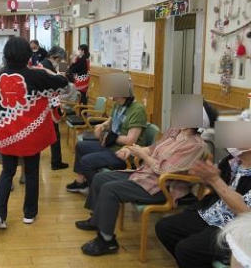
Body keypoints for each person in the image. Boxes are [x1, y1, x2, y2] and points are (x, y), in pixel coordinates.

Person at [77, 107, 214, 256]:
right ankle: (96, 220)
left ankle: (107, 240)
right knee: (100, 178)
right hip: (145, 175)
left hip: (161, 187)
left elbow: (166, 170)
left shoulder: (195, 146)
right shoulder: (175, 131)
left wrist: (143, 155)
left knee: (110, 189)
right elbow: (153, 147)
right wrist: (132, 150)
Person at [0, 37, 68, 229]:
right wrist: (47, 70)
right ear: (28, 55)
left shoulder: (1, 75)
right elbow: (62, 82)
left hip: (7, 132)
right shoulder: (34, 75)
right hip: (29, 135)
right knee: (32, 172)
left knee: (7, 172)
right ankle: (29, 214)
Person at [155, 148, 251, 268]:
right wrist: (206, 179)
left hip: (236, 227)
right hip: (214, 211)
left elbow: (246, 212)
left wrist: (214, 180)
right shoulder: (231, 160)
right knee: (165, 227)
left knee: (186, 250)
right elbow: (216, 187)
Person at [66, 89, 147, 193]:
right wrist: (102, 126)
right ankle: (80, 183)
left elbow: (131, 140)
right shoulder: (117, 105)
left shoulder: (137, 110)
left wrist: (111, 137)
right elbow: (110, 122)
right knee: (81, 146)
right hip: (111, 146)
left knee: (86, 161)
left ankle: (100, 193)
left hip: (124, 154)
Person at [40, 46, 69, 170]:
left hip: (49, 104)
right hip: (48, 106)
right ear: (54, 57)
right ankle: (56, 162)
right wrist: (53, 112)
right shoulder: (46, 67)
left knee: (47, 134)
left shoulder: (45, 64)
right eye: (60, 60)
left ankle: (55, 161)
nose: (61, 62)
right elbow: (51, 90)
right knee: (54, 134)